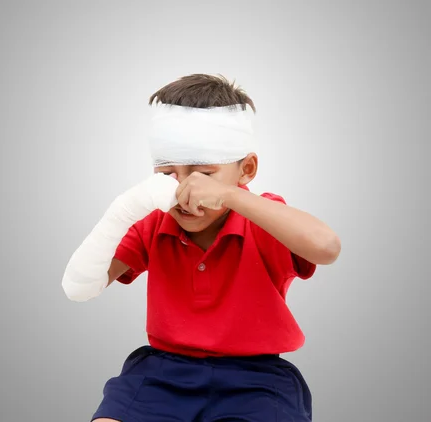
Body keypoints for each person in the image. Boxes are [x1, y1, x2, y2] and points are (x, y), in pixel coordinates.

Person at [61, 74, 341, 422]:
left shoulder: (265, 218)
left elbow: (326, 247)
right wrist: (123, 209)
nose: (185, 191)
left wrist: (229, 196)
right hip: (161, 373)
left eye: (205, 174)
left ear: (246, 169)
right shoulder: (152, 221)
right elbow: (80, 286)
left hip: (257, 380)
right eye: (168, 174)